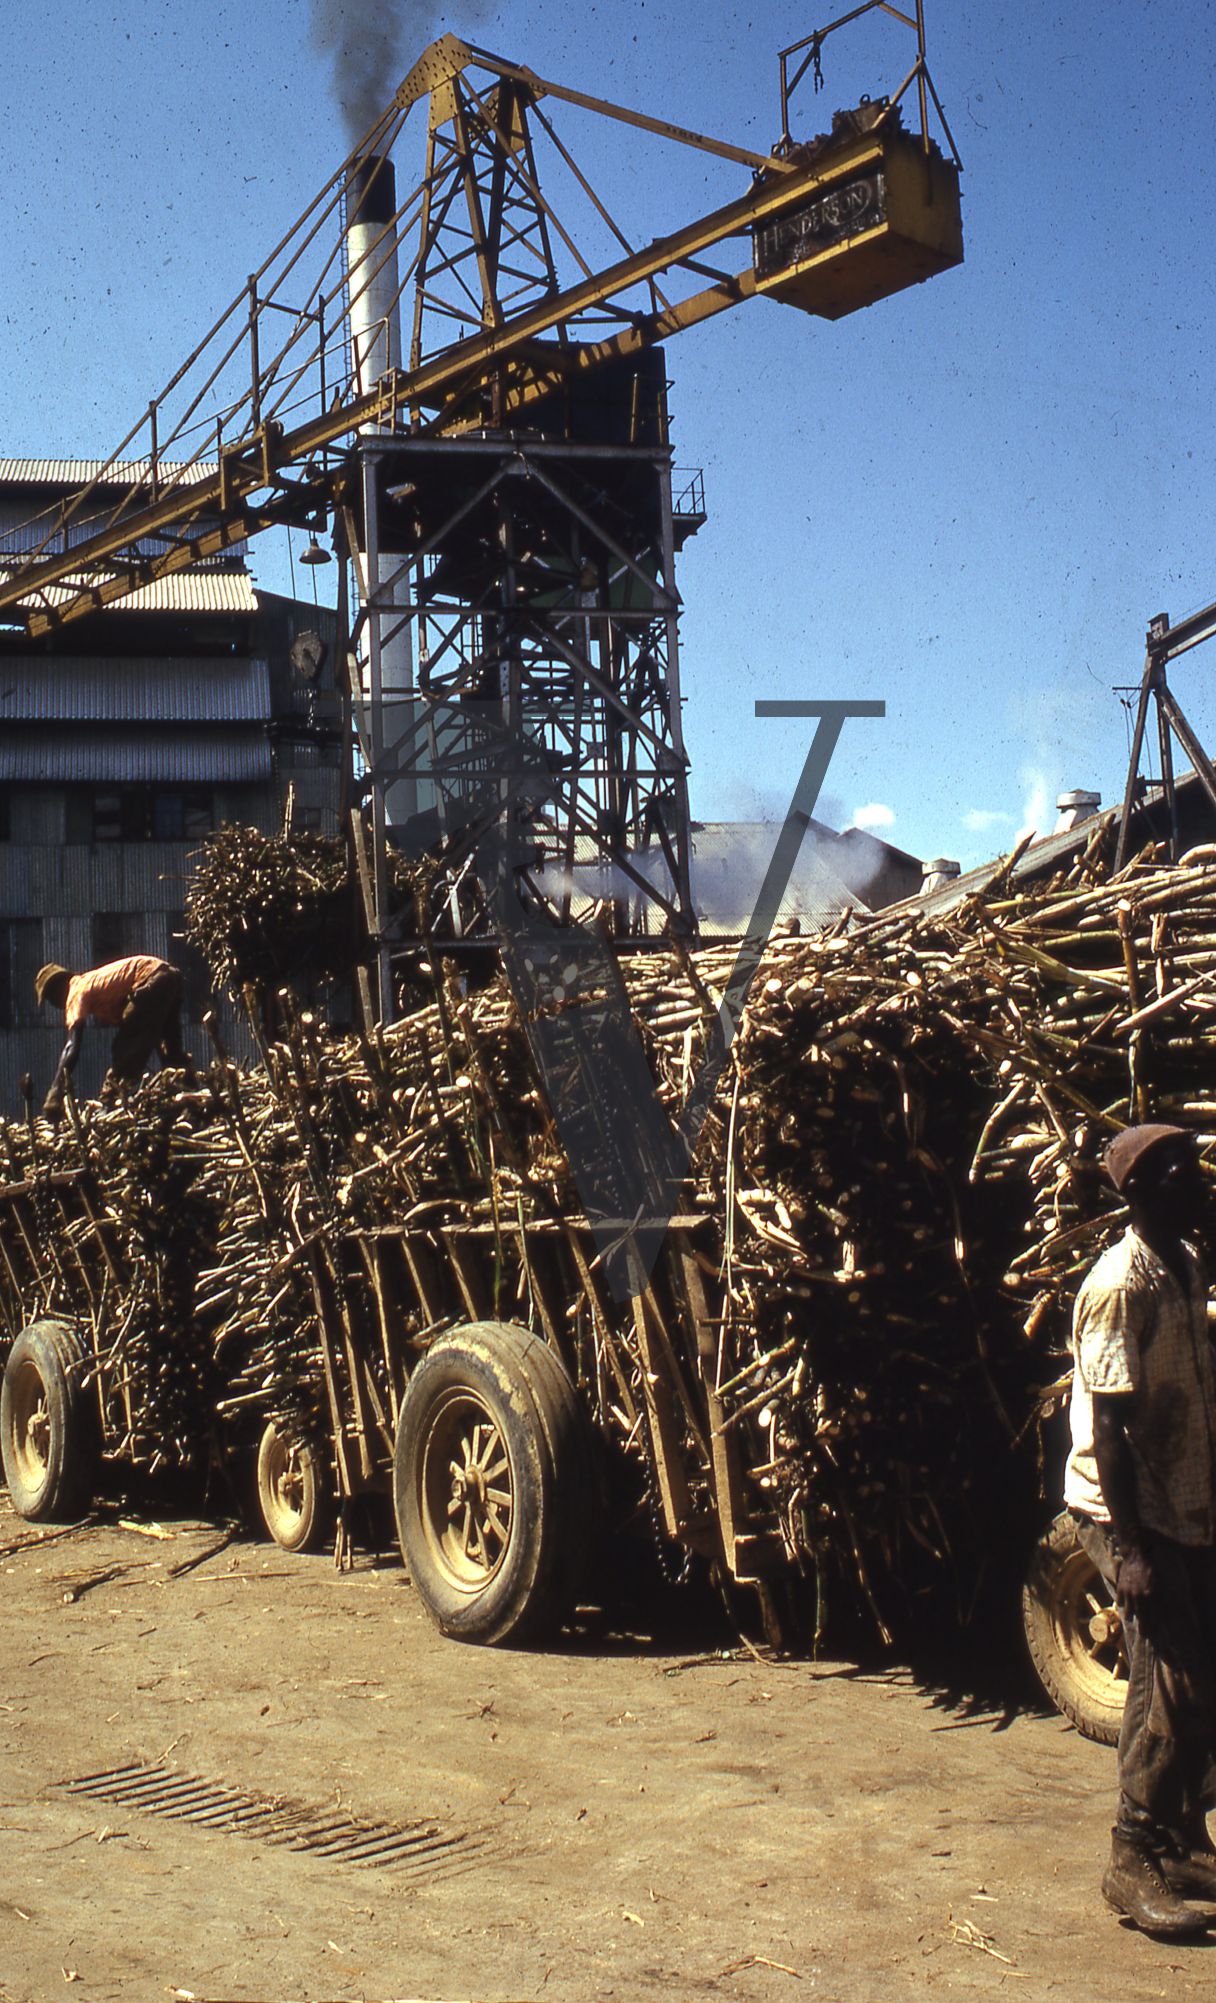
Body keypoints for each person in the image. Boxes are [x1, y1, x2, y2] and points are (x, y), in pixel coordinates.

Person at [1065, 1122, 1216, 1936]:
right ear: (1139, 1193)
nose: (1199, 1181)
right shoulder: (1119, 1283)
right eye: (1182, 1173)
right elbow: (1111, 1430)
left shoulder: (1184, 1263)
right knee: (1171, 1683)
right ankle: (1131, 1860)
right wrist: (1128, 1551)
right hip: (1127, 1508)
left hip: (1185, 1501)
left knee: (1196, 1682)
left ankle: (1182, 1841)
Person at [35, 956, 193, 1112]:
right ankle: (188, 1092)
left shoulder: (76, 990)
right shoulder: (96, 987)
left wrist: (55, 1091)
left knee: (124, 1049)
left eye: (50, 999)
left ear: (56, 988)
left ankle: (109, 1102)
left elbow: (72, 1047)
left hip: (151, 978)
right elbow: (147, 1026)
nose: (54, 1005)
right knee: (170, 1051)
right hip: (169, 976)